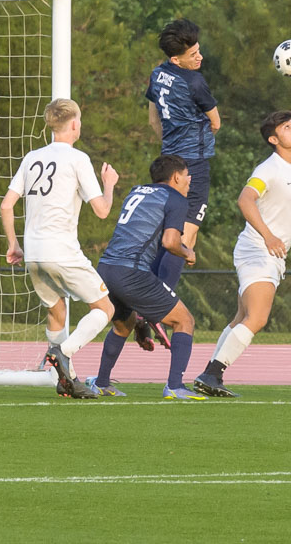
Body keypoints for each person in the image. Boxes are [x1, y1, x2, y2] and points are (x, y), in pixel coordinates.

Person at [193, 112, 291, 397]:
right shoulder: (269, 169)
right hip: (258, 249)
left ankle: (210, 375)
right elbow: (245, 199)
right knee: (258, 318)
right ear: (274, 140)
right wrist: (269, 235)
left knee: (242, 317)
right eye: (287, 127)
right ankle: (211, 374)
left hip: (271, 253)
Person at [0, 98, 119, 400]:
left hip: (34, 253)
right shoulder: (78, 159)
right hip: (61, 250)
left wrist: (14, 244)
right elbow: (103, 211)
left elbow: (6, 204)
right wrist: (109, 184)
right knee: (105, 308)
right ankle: (62, 352)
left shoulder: (32, 157)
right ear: (75, 124)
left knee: (57, 312)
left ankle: (67, 380)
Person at [85, 155, 206, 400]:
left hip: (106, 268)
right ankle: (175, 386)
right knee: (185, 321)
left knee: (123, 325)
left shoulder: (136, 191)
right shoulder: (176, 198)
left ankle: (101, 382)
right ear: (175, 177)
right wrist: (188, 253)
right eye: (186, 175)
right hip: (131, 272)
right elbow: (170, 242)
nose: (189, 179)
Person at [141, 19, 220, 348]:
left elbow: (152, 118)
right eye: (193, 53)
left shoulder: (157, 74)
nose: (199, 57)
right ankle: (156, 310)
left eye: (199, 50)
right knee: (185, 238)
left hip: (166, 164)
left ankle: (143, 306)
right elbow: (215, 123)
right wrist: (195, 145)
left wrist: (170, 145)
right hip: (193, 167)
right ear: (177, 59)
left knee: (166, 238)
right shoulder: (195, 82)